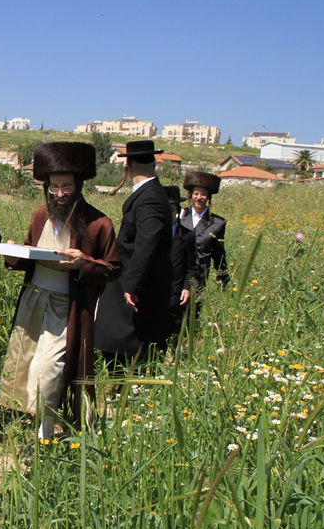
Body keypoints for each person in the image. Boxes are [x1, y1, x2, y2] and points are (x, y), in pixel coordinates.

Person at [0, 142, 120, 436]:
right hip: (33, 303)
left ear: (79, 185)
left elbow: (113, 269)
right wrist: (15, 253)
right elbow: (30, 255)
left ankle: (48, 436)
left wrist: (83, 263)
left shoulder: (98, 223)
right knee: (25, 367)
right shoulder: (40, 216)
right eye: (54, 187)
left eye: (66, 187)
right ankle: (42, 431)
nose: (61, 194)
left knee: (47, 372)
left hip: (66, 309)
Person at [94, 140, 173, 367]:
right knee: (117, 340)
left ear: (127, 167)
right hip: (133, 281)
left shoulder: (149, 197)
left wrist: (131, 285)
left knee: (119, 341)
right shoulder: (153, 193)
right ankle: (122, 387)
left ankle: (123, 389)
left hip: (132, 284)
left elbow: (147, 242)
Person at [178, 171, 229, 288]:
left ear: (208, 198)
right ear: (190, 195)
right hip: (178, 272)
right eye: (196, 193)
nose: (199, 198)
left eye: (203, 195)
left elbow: (219, 253)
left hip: (199, 276)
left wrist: (223, 278)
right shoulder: (181, 215)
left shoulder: (218, 223)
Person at [164, 184, 202, 340]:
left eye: (171, 208)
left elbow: (193, 266)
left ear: (177, 210)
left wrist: (187, 287)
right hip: (155, 293)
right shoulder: (152, 234)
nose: (168, 213)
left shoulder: (187, 236)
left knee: (175, 332)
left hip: (176, 293)